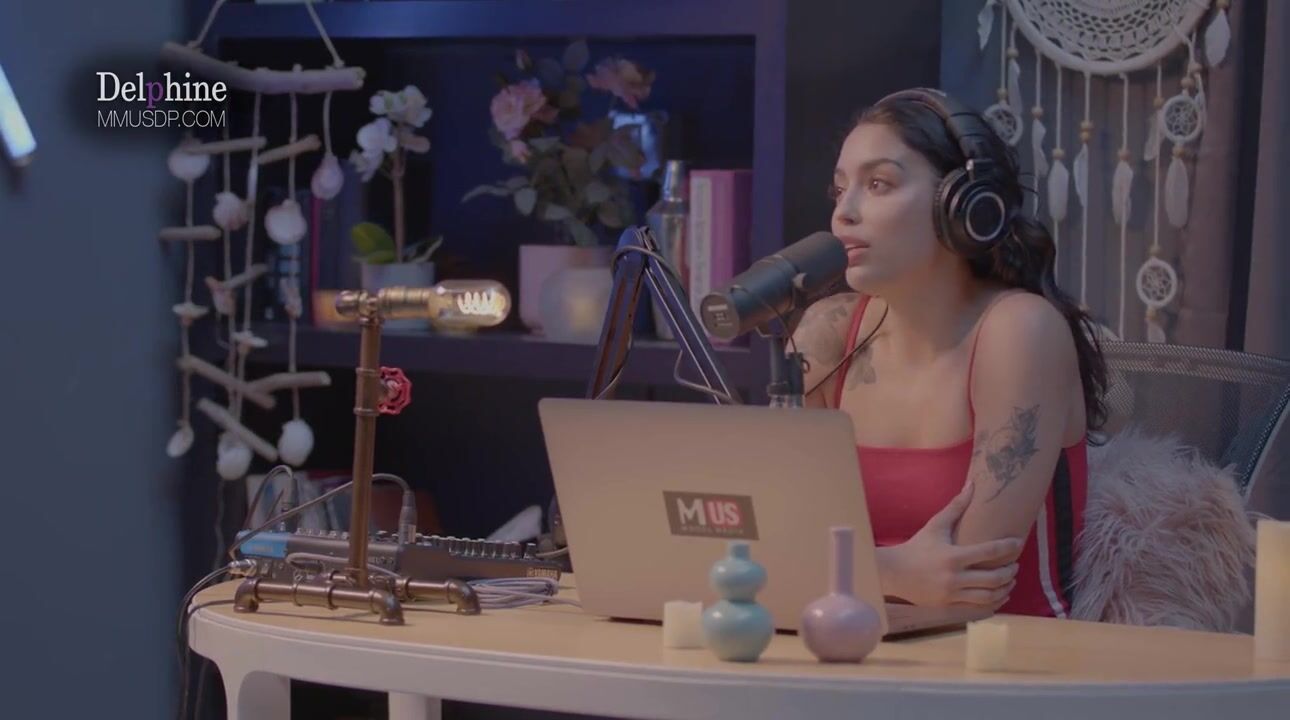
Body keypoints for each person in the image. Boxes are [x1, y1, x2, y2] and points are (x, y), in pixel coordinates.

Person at [792, 88, 1108, 618]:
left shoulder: (1020, 332)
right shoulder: (826, 334)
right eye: (840, 189)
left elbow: (967, 582)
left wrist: (827, 572)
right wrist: (895, 572)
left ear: (964, 204)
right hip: (848, 644)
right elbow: (773, 545)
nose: (843, 214)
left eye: (878, 184)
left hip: (1008, 656)